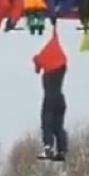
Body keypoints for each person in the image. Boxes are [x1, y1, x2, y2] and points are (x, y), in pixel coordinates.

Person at [32, 25, 68, 161]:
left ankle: (48, 147)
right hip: (61, 100)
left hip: (50, 99)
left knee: (47, 123)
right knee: (58, 126)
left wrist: (37, 66)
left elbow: (38, 61)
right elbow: (54, 43)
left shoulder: (48, 72)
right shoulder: (61, 68)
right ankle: (62, 150)